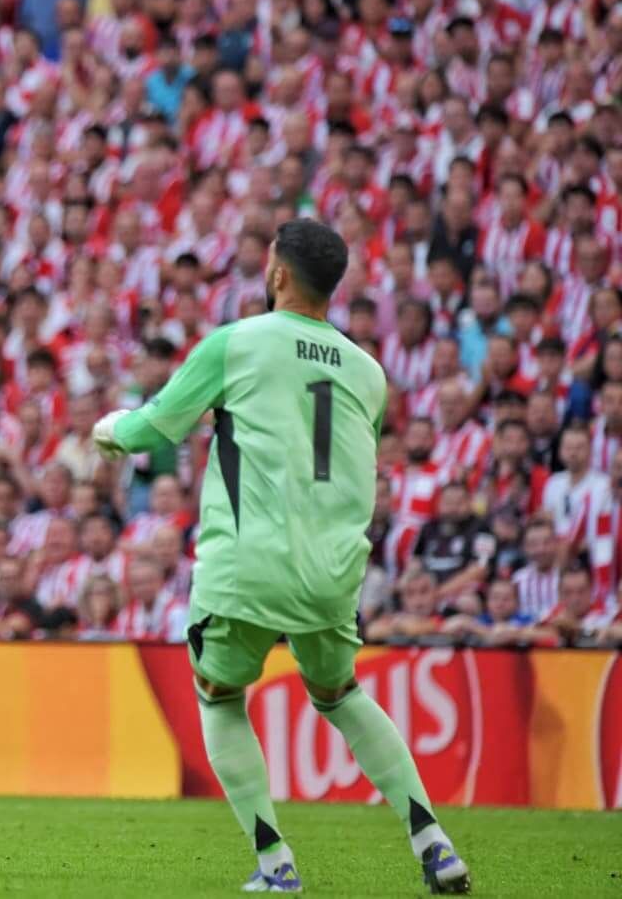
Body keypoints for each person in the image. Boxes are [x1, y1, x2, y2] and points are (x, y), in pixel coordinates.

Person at [93, 220, 470, 894]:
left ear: (277, 275)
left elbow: (155, 427)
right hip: (333, 570)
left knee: (217, 694)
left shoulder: (238, 342)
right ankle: (433, 841)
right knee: (340, 692)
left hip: (248, 562)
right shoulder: (369, 371)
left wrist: (108, 432)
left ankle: (275, 863)